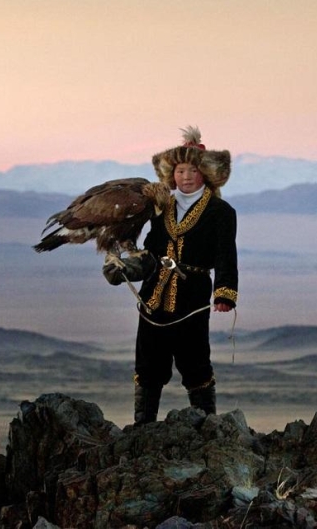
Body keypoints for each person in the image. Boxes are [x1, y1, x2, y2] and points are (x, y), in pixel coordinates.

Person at [103, 126, 238, 425]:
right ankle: (143, 428)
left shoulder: (221, 211)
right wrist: (126, 270)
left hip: (192, 297)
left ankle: (207, 427)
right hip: (153, 297)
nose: (186, 176)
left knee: (195, 363)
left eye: (193, 170)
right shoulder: (160, 208)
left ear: (205, 173)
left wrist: (224, 293)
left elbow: (225, 255)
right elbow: (151, 253)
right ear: (171, 174)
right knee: (148, 362)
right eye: (180, 170)